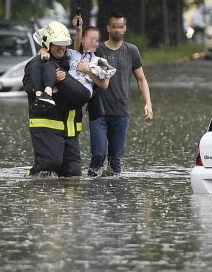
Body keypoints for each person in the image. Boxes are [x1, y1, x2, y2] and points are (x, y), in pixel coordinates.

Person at [24, 19, 106, 177]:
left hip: (70, 130)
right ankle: (31, 181)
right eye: (57, 44)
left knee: (73, 174)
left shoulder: (71, 61)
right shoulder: (37, 65)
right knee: (48, 168)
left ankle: (68, 203)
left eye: (64, 44)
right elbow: (29, 87)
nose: (62, 48)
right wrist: (53, 83)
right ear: (47, 44)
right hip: (47, 128)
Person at [89, 13, 153, 177]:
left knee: (115, 160)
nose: (117, 29)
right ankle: (92, 194)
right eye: (114, 26)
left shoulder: (131, 51)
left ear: (125, 28)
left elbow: (141, 79)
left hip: (121, 112)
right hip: (99, 112)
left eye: (121, 26)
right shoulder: (98, 49)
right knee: (98, 155)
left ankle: (116, 198)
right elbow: (78, 53)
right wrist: (79, 28)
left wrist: (148, 103)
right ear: (108, 28)